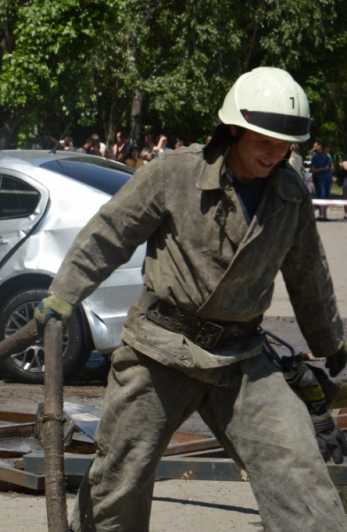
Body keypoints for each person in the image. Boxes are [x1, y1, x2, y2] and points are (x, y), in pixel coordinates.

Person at [34, 66, 347, 532]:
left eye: (285, 146)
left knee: (299, 469)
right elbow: (110, 232)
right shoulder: (173, 173)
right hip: (159, 351)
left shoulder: (290, 194)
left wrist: (330, 341)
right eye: (265, 142)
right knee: (120, 478)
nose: (275, 154)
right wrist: (64, 294)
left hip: (241, 358)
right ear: (235, 130)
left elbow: (309, 275)